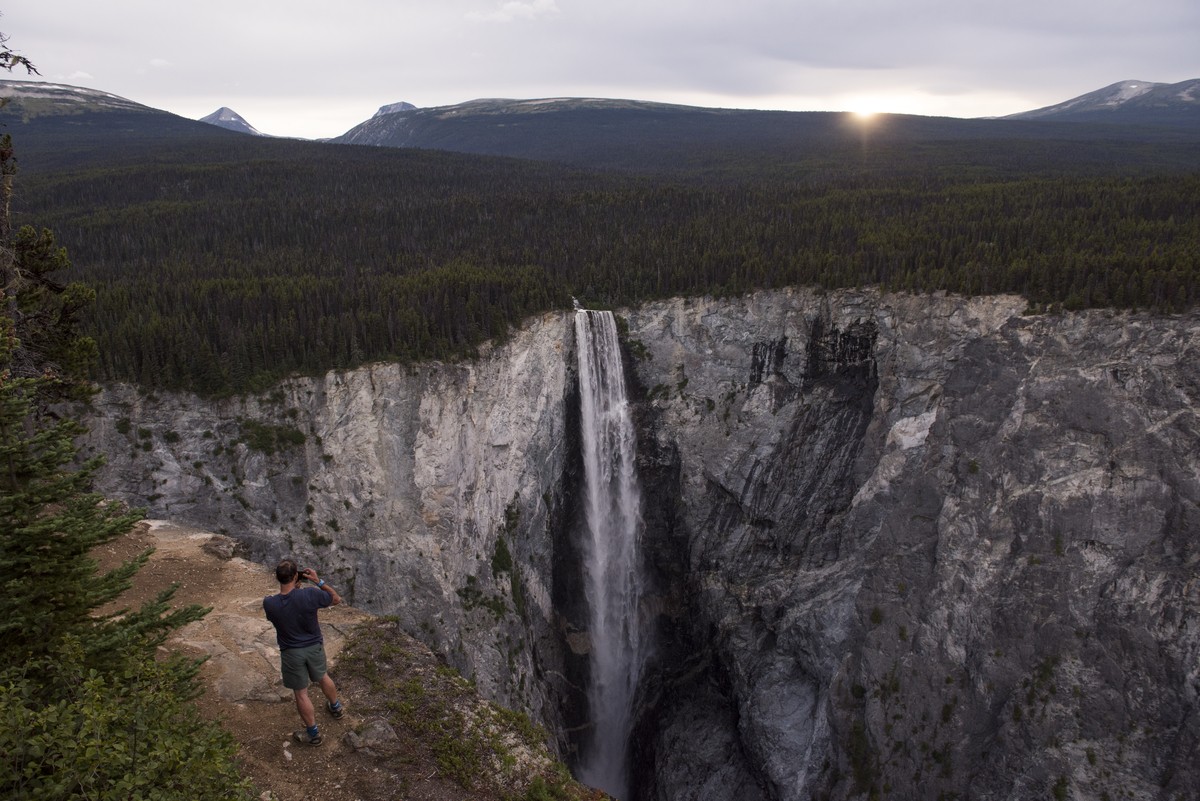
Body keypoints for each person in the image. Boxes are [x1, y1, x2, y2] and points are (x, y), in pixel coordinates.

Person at [263, 559, 346, 746]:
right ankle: (336, 707)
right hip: (314, 647)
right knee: (323, 676)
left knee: (301, 693)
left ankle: (313, 734)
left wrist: (295, 591)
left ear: (278, 578)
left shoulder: (270, 603)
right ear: (296, 576)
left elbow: (278, 613)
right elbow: (336, 599)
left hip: (291, 652)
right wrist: (318, 581)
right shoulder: (309, 594)